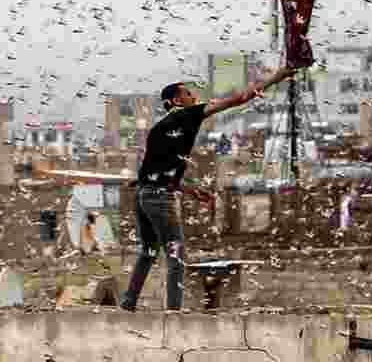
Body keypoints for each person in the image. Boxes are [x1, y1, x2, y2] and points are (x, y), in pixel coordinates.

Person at [120, 65, 296, 312]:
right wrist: (279, 75)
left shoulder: (158, 129)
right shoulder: (189, 114)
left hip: (143, 195)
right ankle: (173, 313)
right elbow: (240, 98)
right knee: (176, 253)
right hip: (159, 198)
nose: (192, 95)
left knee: (149, 251)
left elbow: (157, 173)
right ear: (176, 100)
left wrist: (189, 190)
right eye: (187, 93)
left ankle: (128, 303)